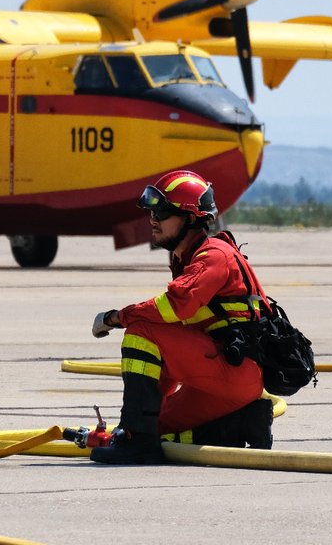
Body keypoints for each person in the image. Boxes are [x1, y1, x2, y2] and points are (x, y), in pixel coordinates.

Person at [88, 169, 274, 465]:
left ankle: (139, 443)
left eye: (161, 212)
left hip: (234, 370)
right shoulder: (183, 258)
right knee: (155, 425)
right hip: (222, 374)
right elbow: (175, 341)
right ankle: (240, 424)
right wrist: (136, 424)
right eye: (152, 212)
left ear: (190, 219)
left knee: (140, 330)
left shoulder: (213, 256)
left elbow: (175, 308)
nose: (153, 220)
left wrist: (116, 317)